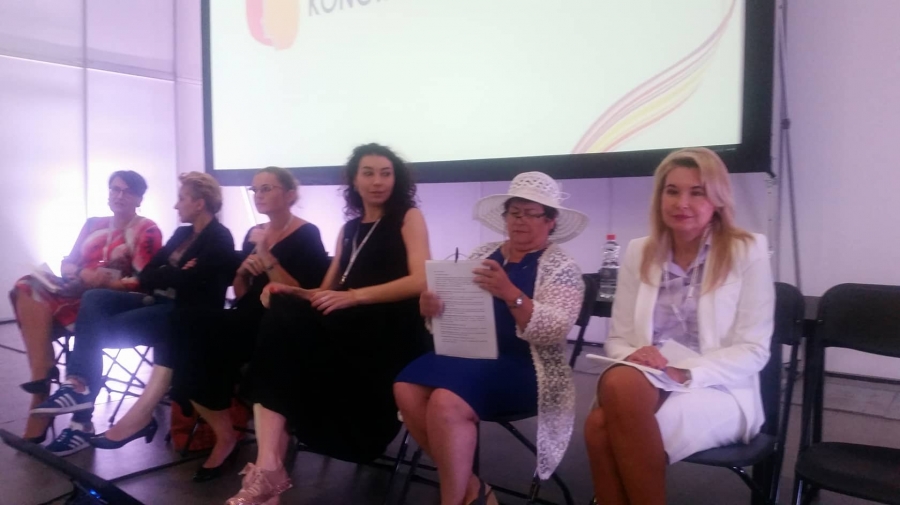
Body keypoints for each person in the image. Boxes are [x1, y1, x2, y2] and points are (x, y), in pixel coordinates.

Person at [224, 143, 430, 505]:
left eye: (386, 173)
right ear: (354, 180)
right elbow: (325, 290)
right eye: (368, 173)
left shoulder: (408, 217)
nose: (378, 181)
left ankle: (269, 474)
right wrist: (289, 290)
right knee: (281, 313)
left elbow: (421, 280)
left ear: (396, 179)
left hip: (390, 327)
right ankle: (269, 467)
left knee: (278, 342)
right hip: (349, 322)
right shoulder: (349, 229)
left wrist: (355, 296)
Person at [583, 148, 775, 505]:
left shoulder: (748, 250)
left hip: (718, 387)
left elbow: (754, 350)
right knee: (621, 383)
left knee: (599, 427)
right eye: (672, 191)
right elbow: (619, 339)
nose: (681, 203)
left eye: (696, 192)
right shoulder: (640, 252)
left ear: (717, 199)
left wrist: (684, 373)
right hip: (648, 379)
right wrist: (638, 355)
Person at [394, 171, 587, 505]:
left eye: (531, 213)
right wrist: (434, 308)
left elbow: (554, 330)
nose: (520, 220)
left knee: (445, 402)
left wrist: (510, 293)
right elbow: (456, 309)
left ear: (551, 221)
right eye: (514, 212)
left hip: (526, 366)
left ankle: (453, 499)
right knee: (405, 388)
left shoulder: (562, 267)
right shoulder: (484, 252)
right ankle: (473, 488)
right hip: (468, 353)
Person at [32, 172, 237, 456]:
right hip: (158, 300)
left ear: (199, 203)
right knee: (94, 298)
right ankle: (78, 385)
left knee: (94, 329)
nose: (176, 205)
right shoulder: (182, 234)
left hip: (186, 313)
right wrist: (176, 273)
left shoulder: (220, 237)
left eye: (181, 199)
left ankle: (80, 405)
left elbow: (191, 283)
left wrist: (171, 274)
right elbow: (149, 274)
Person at [170, 167, 330, 482]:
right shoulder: (253, 232)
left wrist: (267, 257)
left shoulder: (306, 234)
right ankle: (224, 433)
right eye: (255, 190)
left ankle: (262, 449)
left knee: (206, 343)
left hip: (283, 324)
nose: (259, 195)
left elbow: (302, 294)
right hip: (247, 316)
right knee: (184, 327)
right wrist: (243, 272)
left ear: (289, 194)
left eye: (267, 188)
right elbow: (243, 292)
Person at [9, 171, 162, 444]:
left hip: (110, 300)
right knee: (26, 285)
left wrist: (106, 280)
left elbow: (145, 281)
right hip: (77, 289)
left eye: (127, 191)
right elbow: (68, 262)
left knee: (87, 303)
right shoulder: (93, 224)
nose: (119, 196)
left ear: (139, 199)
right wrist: (81, 273)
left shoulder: (146, 230)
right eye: (114, 189)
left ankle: (43, 393)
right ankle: (42, 373)